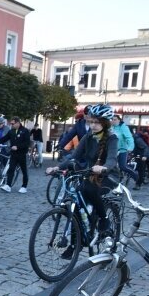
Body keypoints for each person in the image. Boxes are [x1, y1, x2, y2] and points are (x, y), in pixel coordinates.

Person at [46, 104, 119, 256]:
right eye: (91, 122)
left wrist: (104, 167)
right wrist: (57, 168)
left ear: (105, 123)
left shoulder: (112, 138)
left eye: (97, 122)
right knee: (76, 203)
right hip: (91, 174)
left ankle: (104, 219)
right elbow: (74, 156)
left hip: (108, 176)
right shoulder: (88, 137)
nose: (93, 125)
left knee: (90, 189)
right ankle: (75, 244)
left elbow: (112, 159)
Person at [0, 116, 31, 193]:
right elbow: (5, 138)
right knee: (11, 169)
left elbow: (27, 143)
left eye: (13, 123)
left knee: (24, 170)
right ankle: (8, 185)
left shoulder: (25, 131)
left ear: (18, 123)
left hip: (22, 154)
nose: (12, 125)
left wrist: (18, 147)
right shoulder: (11, 131)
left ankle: (24, 186)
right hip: (13, 154)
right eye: (11, 123)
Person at [112, 114, 138, 189]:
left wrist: (130, 147)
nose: (113, 121)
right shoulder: (111, 128)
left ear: (119, 120)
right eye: (112, 119)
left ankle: (135, 175)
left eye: (115, 119)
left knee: (122, 166)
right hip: (113, 150)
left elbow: (129, 138)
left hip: (123, 150)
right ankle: (117, 178)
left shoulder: (123, 127)